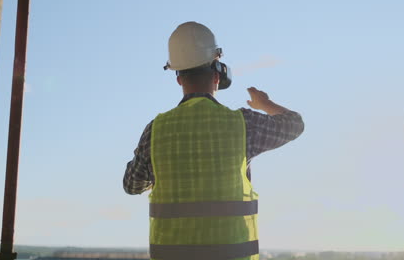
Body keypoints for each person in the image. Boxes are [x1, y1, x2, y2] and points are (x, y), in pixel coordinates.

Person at [123, 21, 304, 260]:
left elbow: (131, 185)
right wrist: (264, 104)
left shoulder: (156, 130)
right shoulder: (243, 124)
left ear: (178, 78)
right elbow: (294, 124)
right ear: (218, 72)